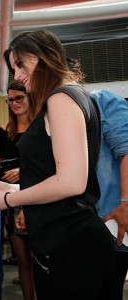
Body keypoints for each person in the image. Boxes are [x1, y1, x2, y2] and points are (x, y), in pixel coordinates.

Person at [0, 29, 115, 299]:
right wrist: (17, 190)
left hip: (71, 246)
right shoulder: (76, 96)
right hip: (73, 242)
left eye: (20, 64)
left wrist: (8, 199)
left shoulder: (60, 99)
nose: (16, 75)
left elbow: (72, 182)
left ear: (43, 56)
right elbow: (59, 175)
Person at [68, 57, 128, 300]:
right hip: (76, 228)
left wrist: (126, 202)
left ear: (75, 76)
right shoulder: (51, 117)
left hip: (112, 222)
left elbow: (126, 151)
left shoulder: (102, 101)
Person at [0, 80, 36, 300]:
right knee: (24, 261)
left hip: (40, 194)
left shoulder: (42, 124)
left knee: (41, 259)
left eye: (18, 98)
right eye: (10, 100)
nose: (13, 103)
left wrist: (23, 170)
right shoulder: (5, 130)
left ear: (29, 96)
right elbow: (5, 163)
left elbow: (50, 163)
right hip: (12, 198)